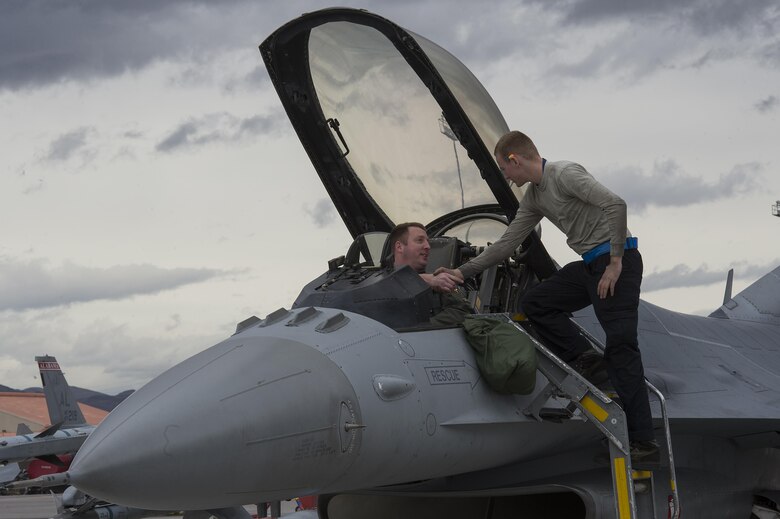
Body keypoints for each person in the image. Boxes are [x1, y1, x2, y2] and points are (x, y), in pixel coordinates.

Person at [435, 131, 658, 464]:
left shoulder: (564, 174)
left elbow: (615, 204)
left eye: (505, 169)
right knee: (537, 303)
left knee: (622, 345)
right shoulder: (534, 198)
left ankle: (644, 442)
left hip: (617, 263)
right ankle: (584, 357)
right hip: (588, 266)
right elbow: (507, 245)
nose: (507, 178)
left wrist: (615, 263)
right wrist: (461, 273)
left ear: (515, 159)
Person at [388, 222, 472, 326]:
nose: (428, 246)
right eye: (420, 240)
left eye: (427, 242)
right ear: (399, 247)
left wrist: (424, 327)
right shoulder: (375, 280)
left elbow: (462, 311)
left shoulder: (440, 281)